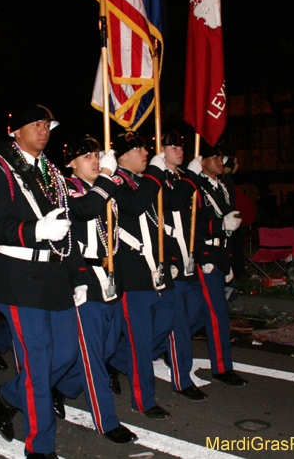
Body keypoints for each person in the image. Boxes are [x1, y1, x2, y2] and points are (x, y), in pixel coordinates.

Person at [0, 104, 82, 459]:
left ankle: (7, 395)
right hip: (20, 277)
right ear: (16, 132)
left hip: (54, 275)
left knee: (69, 353)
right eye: (36, 124)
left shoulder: (51, 172)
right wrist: (38, 229)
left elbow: (69, 226)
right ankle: (39, 447)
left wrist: (77, 274)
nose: (44, 130)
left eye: (47, 125)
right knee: (37, 365)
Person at [51, 136, 138, 444]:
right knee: (93, 358)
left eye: (97, 154)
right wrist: (106, 179)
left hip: (111, 276)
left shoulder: (105, 188)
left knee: (109, 347)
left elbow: (134, 208)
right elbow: (85, 211)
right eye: (87, 155)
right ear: (71, 163)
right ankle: (106, 421)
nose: (94, 160)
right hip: (84, 278)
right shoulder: (65, 189)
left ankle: (60, 389)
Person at [106, 131, 173, 420]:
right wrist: (157, 171)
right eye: (139, 149)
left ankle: (115, 360)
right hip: (132, 273)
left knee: (166, 324)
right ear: (122, 156)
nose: (146, 153)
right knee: (141, 341)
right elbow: (133, 206)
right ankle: (143, 401)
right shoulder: (116, 181)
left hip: (156, 270)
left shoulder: (139, 181)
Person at [156, 131, 211, 402]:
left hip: (190, 259)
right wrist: (192, 175)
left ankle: (128, 356)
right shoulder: (155, 178)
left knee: (197, 313)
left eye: (181, 145)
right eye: (173, 146)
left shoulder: (181, 178)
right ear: (160, 149)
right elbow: (175, 201)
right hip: (171, 262)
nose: (179, 150)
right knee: (177, 323)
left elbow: (193, 219)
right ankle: (182, 379)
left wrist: (204, 254)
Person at [190, 141, 249, 388]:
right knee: (218, 314)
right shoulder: (196, 188)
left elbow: (231, 222)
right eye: (215, 157)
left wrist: (230, 261)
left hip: (222, 255)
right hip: (207, 257)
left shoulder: (222, 187)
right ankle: (222, 368)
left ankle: (164, 343)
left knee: (195, 315)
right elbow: (194, 225)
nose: (220, 162)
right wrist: (204, 258)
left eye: (222, 158)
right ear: (202, 162)